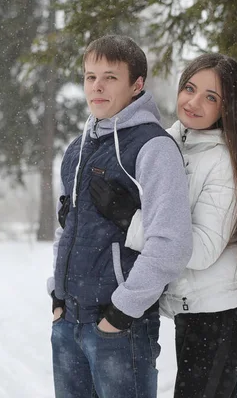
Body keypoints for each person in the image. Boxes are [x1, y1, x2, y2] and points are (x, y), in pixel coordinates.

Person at [96, 53, 237, 397]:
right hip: (194, 313)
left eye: (211, 97)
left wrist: (127, 220)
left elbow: (202, 249)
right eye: (189, 88)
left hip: (221, 315)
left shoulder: (224, 161)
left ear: (227, 108)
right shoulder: (167, 142)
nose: (193, 102)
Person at [47, 35, 193, 398]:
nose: (96, 86)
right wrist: (56, 294)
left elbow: (171, 244)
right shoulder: (77, 149)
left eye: (110, 77)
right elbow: (65, 227)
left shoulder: (152, 147)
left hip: (119, 328)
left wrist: (121, 313)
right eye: (89, 76)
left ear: (137, 84)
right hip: (68, 323)